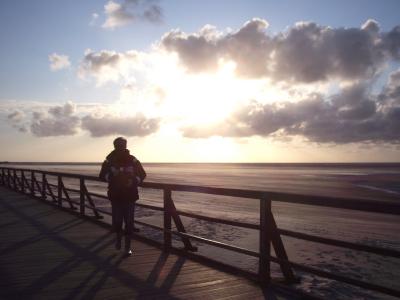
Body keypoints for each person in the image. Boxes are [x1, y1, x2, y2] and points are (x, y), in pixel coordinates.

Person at [99, 137, 146, 256]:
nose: (121, 147)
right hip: (115, 195)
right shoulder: (109, 160)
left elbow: (142, 174)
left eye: (122, 145)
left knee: (129, 222)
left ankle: (127, 247)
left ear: (125, 146)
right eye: (118, 145)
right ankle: (119, 240)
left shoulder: (133, 160)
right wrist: (112, 177)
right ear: (115, 146)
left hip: (130, 196)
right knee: (118, 221)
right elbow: (101, 175)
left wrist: (134, 181)